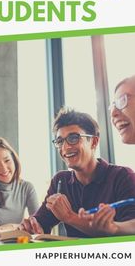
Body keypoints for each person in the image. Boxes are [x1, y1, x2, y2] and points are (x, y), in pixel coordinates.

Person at [20, 107, 135, 238]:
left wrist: (69, 217)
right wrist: (32, 225)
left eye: (74, 138)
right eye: (60, 141)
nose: (66, 147)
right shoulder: (60, 181)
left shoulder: (123, 176)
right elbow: (41, 222)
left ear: (94, 141)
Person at [78, 75, 135, 235]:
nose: (114, 114)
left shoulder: (123, 175)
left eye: (122, 101)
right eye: (113, 106)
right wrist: (114, 228)